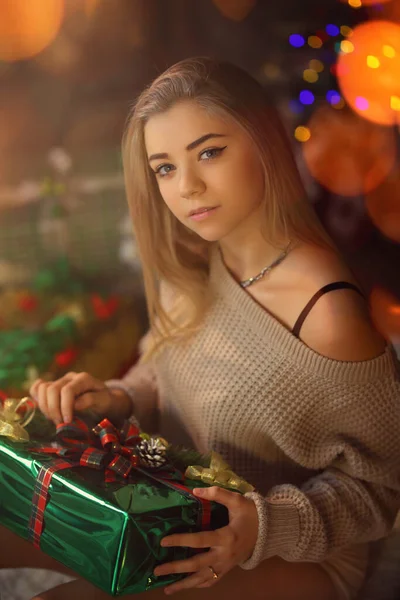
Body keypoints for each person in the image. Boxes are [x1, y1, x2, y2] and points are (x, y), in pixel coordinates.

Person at [17, 57, 400, 599]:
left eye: (210, 152)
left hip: (289, 552)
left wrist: (262, 527)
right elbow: (164, 365)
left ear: (264, 142)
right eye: (165, 168)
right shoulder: (192, 260)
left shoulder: (327, 312)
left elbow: (380, 487)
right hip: (175, 504)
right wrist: (117, 398)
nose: (188, 187)